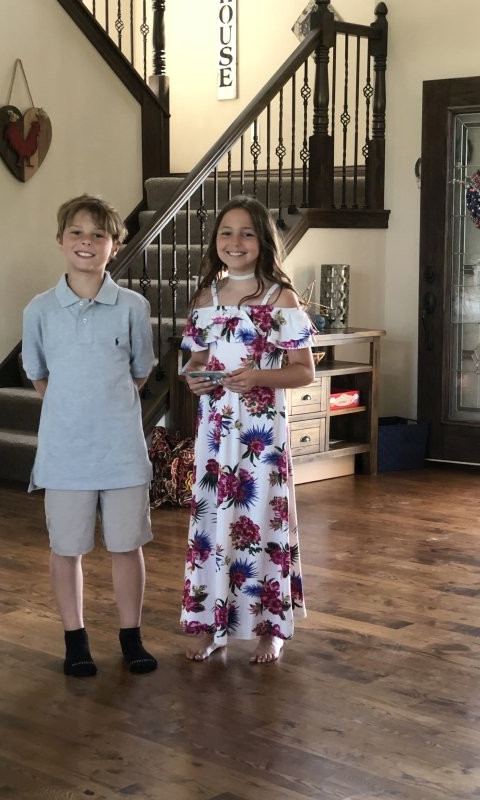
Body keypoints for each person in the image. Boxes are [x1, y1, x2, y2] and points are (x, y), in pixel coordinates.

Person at [22, 194, 157, 677]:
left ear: (114, 246)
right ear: (61, 240)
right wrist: (73, 409)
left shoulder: (133, 307)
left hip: (122, 453)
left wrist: (105, 407)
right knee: (66, 549)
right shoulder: (39, 310)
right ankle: (75, 640)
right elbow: (39, 375)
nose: (87, 242)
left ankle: (131, 637)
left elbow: (139, 371)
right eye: (76, 232)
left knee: (127, 546)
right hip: (64, 455)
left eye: (99, 234)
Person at [180, 195, 316, 664]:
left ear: (263, 241)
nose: (235, 242)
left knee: (260, 522)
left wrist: (258, 376)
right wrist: (193, 377)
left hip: (262, 434)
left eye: (246, 233)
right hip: (216, 431)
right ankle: (212, 624)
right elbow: (197, 360)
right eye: (226, 233)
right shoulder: (206, 298)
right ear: (215, 241)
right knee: (214, 523)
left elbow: (304, 371)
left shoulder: (282, 298)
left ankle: (269, 629)